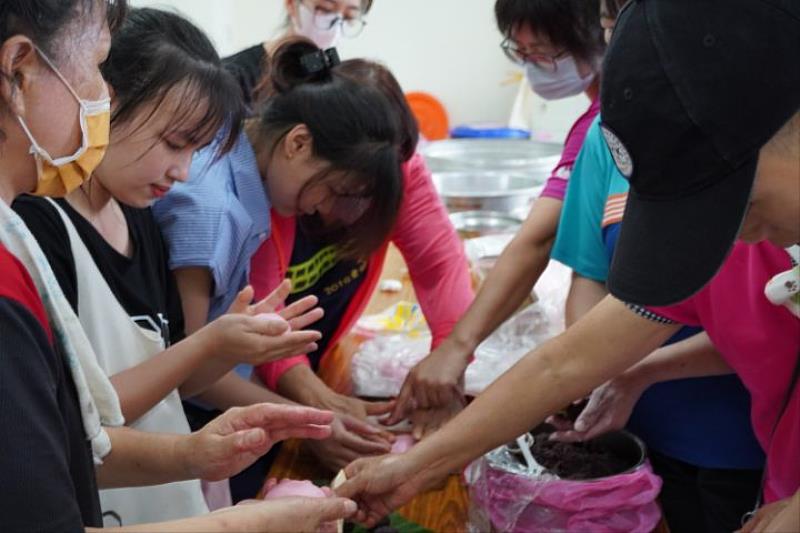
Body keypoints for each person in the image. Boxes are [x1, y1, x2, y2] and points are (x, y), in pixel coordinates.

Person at [336, 2, 800, 532]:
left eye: (742, 206)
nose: (734, 236)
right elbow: (565, 364)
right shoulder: (731, 241)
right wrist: (415, 468)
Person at [0, 1, 354, 530]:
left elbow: (83, 435)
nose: (101, 95)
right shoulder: (35, 228)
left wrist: (195, 448)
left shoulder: (137, 218)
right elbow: (86, 419)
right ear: (20, 69)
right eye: (98, 68)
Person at [155, 37, 471, 497]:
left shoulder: (252, 182)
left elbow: (200, 362)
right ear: (298, 142)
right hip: (190, 425)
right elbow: (188, 372)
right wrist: (304, 420)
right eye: (339, 193)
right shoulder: (212, 208)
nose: (330, 214)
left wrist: (303, 415)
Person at [544, 2, 764, 530]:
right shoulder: (606, 137)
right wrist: (598, 374)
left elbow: (759, 320)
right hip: (641, 424)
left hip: (751, 435)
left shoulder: (749, 141)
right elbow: (595, 283)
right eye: (611, 23)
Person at [386, 0, 606, 432]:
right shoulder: (592, 122)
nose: (533, 66)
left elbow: (538, 240)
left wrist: (456, 348)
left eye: (544, 53)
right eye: (519, 52)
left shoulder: (613, 121)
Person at [224, 0, 373, 108]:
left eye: (349, 17)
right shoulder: (233, 76)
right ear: (291, 4)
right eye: (325, 9)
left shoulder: (339, 82)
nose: (336, 27)